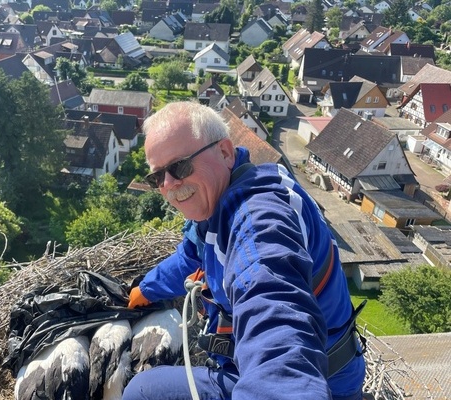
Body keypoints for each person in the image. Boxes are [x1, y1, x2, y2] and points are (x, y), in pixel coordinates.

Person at [123, 101, 365, 400]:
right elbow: (191, 255)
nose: (170, 184)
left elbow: (274, 312)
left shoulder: (259, 218)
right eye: (157, 176)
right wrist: (146, 289)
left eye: (179, 166)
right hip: (280, 365)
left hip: (323, 383)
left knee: (142, 392)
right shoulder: (216, 205)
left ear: (224, 152)